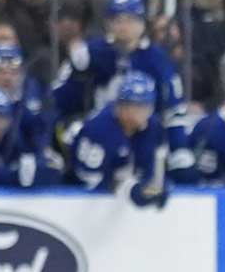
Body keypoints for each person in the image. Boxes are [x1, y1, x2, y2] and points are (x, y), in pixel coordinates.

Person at [52, 0, 195, 184]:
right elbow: (58, 99)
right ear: (108, 23)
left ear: (143, 23)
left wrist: (178, 147)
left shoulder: (157, 59)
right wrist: (77, 74)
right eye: (117, 19)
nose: (124, 26)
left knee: (157, 174)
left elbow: (173, 108)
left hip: (141, 130)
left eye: (130, 20)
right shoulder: (92, 52)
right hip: (98, 129)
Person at [67, 69, 168, 209]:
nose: (146, 112)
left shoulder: (153, 127)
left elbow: (152, 179)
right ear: (123, 106)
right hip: (79, 204)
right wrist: (128, 188)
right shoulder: (98, 129)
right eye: (139, 106)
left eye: (148, 105)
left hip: (123, 201)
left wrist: (152, 190)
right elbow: (89, 181)